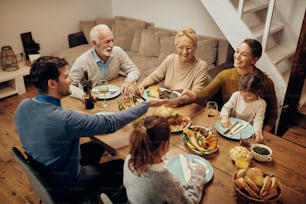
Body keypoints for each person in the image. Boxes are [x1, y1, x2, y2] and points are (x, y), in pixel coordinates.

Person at [13, 56, 157, 203]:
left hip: (46, 176)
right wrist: (147, 104)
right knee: (125, 165)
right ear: (52, 83)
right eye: (66, 76)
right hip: (69, 186)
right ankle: (110, 199)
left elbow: (46, 125)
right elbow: (111, 123)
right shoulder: (64, 119)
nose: (71, 80)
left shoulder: (22, 106)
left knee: (95, 145)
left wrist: (71, 121)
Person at [177, 38, 278, 132]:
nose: (237, 56)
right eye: (237, 51)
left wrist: (261, 135)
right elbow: (204, 94)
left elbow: (273, 115)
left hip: (252, 131)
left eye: (244, 54)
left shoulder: (266, 83)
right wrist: (184, 96)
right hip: (229, 129)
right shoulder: (225, 75)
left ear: (254, 60)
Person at [123, 115, 206, 203]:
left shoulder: (130, 158)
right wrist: (198, 175)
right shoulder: (167, 182)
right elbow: (190, 202)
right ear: (164, 145)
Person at [136, 27, 210, 106]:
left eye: (189, 48)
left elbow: (196, 95)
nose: (185, 52)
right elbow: (153, 77)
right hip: (168, 104)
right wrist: (142, 85)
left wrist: (177, 101)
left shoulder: (201, 66)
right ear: (176, 46)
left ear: (195, 48)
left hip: (188, 106)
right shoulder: (171, 59)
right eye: (181, 47)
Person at [69, 24, 141, 100]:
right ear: (94, 43)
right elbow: (69, 85)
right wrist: (83, 95)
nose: (111, 45)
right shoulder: (82, 61)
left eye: (112, 40)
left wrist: (128, 83)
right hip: (94, 100)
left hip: (115, 96)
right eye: (107, 42)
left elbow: (134, 70)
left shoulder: (118, 51)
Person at [220, 73, 267, 142]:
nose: (244, 98)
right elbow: (226, 107)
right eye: (242, 94)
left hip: (246, 133)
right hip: (230, 128)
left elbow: (258, 120)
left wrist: (257, 132)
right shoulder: (236, 95)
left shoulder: (261, 104)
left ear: (257, 92)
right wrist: (224, 116)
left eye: (248, 96)